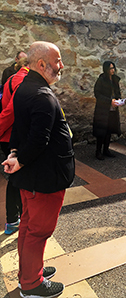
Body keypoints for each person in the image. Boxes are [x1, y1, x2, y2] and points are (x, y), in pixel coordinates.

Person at [3, 41, 72, 298]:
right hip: (44, 178)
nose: (61, 66)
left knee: (29, 227)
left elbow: (20, 128)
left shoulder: (24, 87)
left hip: (33, 177)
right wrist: (19, 160)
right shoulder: (41, 94)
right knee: (38, 230)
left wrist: (13, 154)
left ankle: (31, 272)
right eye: (57, 61)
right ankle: (31, 285)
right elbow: (38, 139)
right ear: (41, 64)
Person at [0, 51, 27, 235]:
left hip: (9, 136)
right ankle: (14, 220)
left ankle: (14, 219)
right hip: (12, 137)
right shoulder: (22, 81)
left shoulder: (13, 78)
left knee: (16, 179)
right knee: (17, 180)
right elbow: (10, 112)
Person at [92, 61, 123, 160]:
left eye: (113, 68)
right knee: (101, 131)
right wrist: (109, 101)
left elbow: (117, 92)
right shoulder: (101, 80)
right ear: (106, 69)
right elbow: (97, 94)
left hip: (113, 109)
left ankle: (106, 149)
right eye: (110, 68)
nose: (112, 70)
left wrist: (118, 100)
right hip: (103, 109)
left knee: (109, 130)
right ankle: (98, 152)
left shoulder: (115, 80)